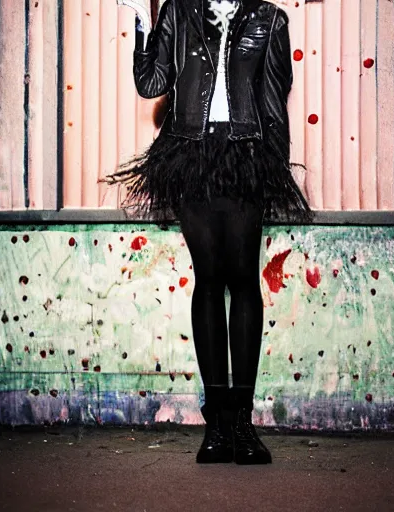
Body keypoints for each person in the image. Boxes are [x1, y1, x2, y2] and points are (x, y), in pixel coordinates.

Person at [105, 0, 313, 464]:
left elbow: (274, 103)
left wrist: (270, 175)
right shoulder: (179, 10)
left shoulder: (270, 20)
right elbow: (151, 83)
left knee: (243, 279)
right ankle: (216, 426)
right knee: (209, 279)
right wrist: (143, 19)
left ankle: (243, 423)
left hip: (246, 156)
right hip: (190, 155)